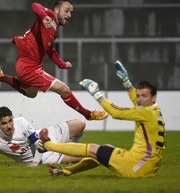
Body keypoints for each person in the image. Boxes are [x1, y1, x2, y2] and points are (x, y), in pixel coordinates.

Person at [0, 0, 108, 121]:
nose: (69, 15)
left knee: (31, 93)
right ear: (57, 10)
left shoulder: (54, 30)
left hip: (24, 64)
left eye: (71, 12)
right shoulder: (50, 16)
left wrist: (62, 64)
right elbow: (35, 5)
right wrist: (42, 15)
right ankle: (88, 114)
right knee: (64, 89)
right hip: (29, 67)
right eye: (66, 10)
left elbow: (50, 50)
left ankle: (0, 76)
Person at [38, 60, 166, 178]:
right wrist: (127, 83)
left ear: (153, 98)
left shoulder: (145, 113)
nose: (139, 99)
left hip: (133, 167)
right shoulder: (155, 111)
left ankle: (48, 145)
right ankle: (66, 171)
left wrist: (96, 94)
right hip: (145, 169)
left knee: (92, 148)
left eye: (144, 96)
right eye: (138, 95)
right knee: (103, 149)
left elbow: (116, 113)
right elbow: (138, 102)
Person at [0, 106, 86, 167]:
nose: (9, 126)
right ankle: (70, 152)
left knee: (81, 123)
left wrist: (35, 162)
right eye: (4, 123)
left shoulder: (21, 122)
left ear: (13, 118)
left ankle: (69, 145)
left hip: (47, 135)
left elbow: (38, 142)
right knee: (87, 156)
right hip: (47, 156)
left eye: (10, 121)